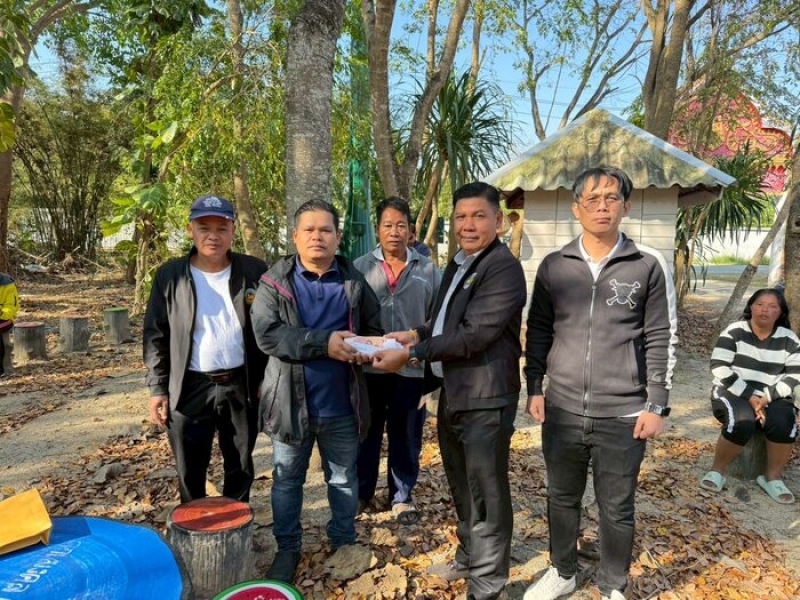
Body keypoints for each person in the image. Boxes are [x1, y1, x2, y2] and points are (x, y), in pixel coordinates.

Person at [523, 166, 678, 600]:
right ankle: (562, 571)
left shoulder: (647, 264)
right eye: (592, 199)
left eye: (611, 198)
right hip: (563, 408)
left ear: (626, 206)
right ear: (577, 208)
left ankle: (613, 585)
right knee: (561, 497)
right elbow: (539, 330)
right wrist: (534, 385)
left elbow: (662, 335)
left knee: (617, 506)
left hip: (624, 412)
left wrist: (657, 404)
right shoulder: (555, 265)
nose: (602, 206)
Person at [373, 182, 527, 600]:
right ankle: (470, 556)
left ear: (498, 221)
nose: (468, 225)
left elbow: (473, 335)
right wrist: (414, 334)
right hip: (453, 392)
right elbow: (443, 321)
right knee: (461, 482)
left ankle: (488, 584)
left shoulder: (503, 268)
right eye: (460, 216)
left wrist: (412, 354)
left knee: (487, 490)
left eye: (478, 216)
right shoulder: (459, 263)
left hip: (486, 397)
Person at [250, 199, 383, 584]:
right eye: (308, 230)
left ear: (338, 237)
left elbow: (372, 328)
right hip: (290, 405)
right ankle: (287, 548)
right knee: (287, 480)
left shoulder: (354, 281)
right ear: (295, 236)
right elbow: (267, 335)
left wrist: (365, 349)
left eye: (325, 230)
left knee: (342, 479)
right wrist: (325, 343)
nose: (317, 237)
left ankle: (343, 540)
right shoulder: (274, 281)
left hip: (343, 403)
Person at [143, 195, 268, 504]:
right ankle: (194, 523)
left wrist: (266, 377)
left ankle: (236, 521)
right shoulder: (171, 276)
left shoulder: (254, 271)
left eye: (221, 228)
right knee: (190, 468)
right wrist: (158, 387)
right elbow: (156, 335)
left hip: (240, 383)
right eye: (204, 228)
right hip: (190, 385)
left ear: (233, 230)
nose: (213, 236)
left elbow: (270, 326)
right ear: (190, 230)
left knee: (240, 464)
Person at [354, 197, 441, 524]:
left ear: (411, 230)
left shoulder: (428, 270)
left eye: (401, 225)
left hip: (411, 369)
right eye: (387, 225)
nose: (394, 232)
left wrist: (421, 347)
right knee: (366, 434)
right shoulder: (359, 268)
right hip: (369, 369)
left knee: (406, 435)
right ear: (377, 229)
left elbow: (439, 319)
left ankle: (401, 497)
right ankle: (362, 493)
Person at [700, 288, 799, 504]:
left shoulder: (789, 339)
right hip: (732, 390)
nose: (765, 310)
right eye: (760, 304)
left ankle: (772, 478)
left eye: (772, 306)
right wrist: (750, 395)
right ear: (751, 307)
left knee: (784, 423)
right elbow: (719, 366)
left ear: (780, 312)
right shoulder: (735, 331)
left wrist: (767, 397)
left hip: (772, 396)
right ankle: (717, 471)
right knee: (741, 421)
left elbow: (795, 374)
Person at [0, 272, 19, 377]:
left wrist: (1, 313)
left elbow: (12, 307)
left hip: (4, 318)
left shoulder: (7, 284)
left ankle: (5, 368)